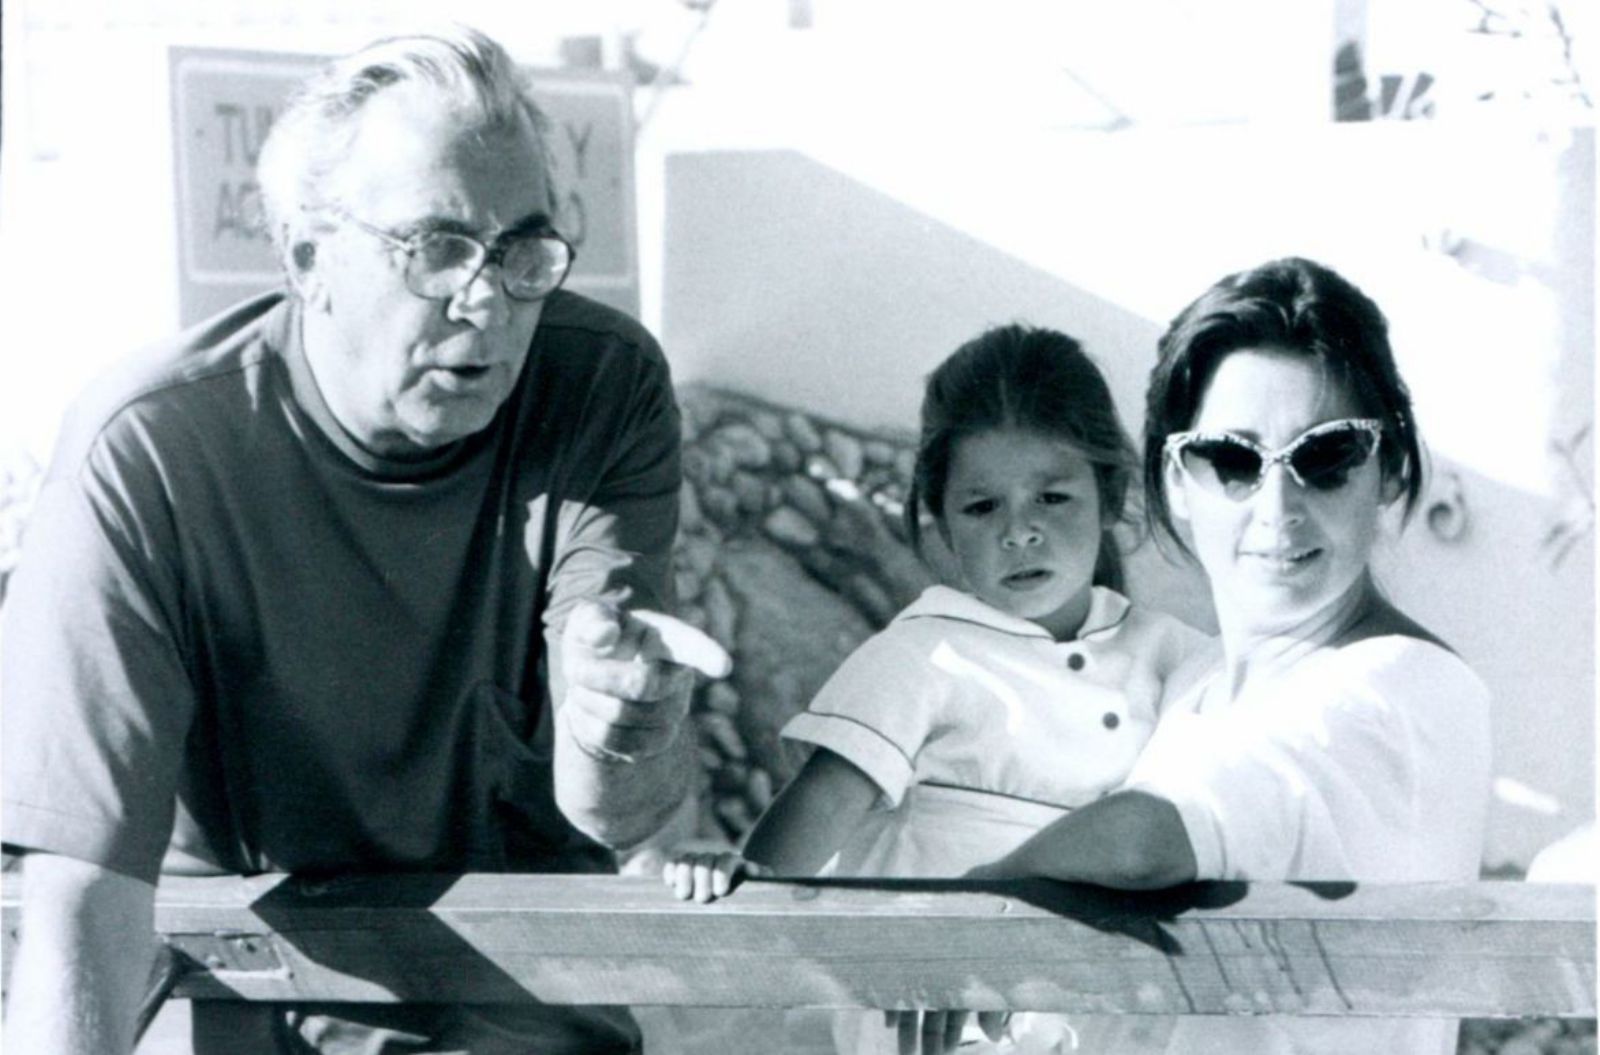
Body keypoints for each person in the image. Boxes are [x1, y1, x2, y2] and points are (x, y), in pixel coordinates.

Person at [2, 27, 727, 1055]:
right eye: (435, 247)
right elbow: (85, 891)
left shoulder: (599, 388)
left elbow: (616, 812)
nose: (486, 299)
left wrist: (622, 720)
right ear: (307, 256)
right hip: (235, 982)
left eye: (523, 252)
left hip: (516, 996)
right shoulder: (149, 450)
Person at [897, 257, 1494, 1054]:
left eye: (1327, 455)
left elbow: (1149, 842)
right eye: (1233, 460)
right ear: (1176, 483)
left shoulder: (1408, 686)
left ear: (1387, 469)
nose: (1278, 507)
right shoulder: (1194, 683)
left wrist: (971, 906)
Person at [665, 324, 1208, 1054]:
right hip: (933, 1017)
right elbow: (816, 813)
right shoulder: (928, 651)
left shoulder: (1169, 654)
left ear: (1108, 494)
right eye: (982, 507)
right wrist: (743, 878)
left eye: (1052, 497)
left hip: (1095, 1013)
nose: (1021, 531)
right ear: (943, 523)